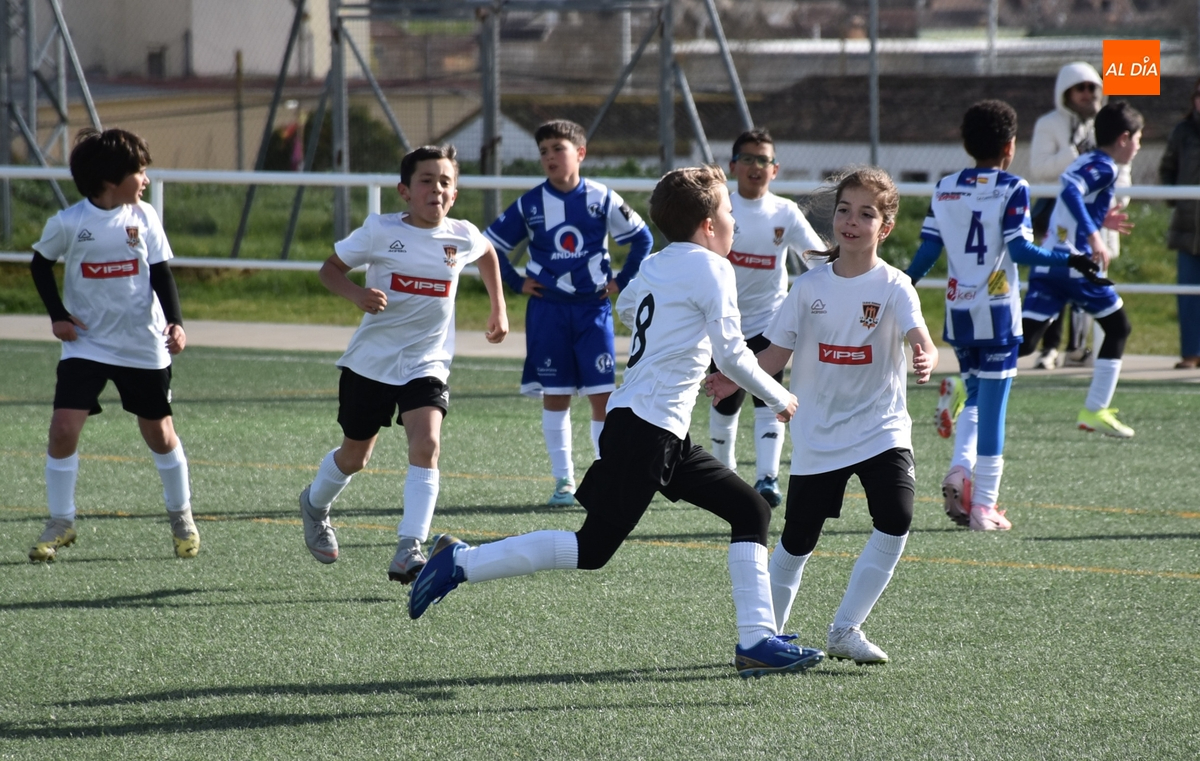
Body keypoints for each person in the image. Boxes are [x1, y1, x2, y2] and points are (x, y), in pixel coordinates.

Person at [410, 165, 825, 679]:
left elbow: (629, 307)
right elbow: (735, 355)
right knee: (591, 549)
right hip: (648, 430)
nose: (734, 222)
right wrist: (780, 395)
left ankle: (756, 642)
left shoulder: (655, 264)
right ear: (707, 225)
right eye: (727, 212)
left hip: (652, 427)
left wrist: (681, 347)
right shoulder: (713, 269)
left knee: (750, 510)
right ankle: (461, 562)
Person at [707, 167, 938, 663]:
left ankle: (846, 629)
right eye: (844, 210)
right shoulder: (808, 287)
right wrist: (732, 380)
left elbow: (920, 335)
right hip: (819, 433)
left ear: (885, 227)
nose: (851, 221)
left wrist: (925, 354)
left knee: (896, 519)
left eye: (866, 214)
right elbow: (775, 353)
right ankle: (764, 640)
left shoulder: (896, 285)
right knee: (796, 541)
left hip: (881, 429)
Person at [297, 145, 509, 583]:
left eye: (445, 182)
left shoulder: (462, 235)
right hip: (371, 363)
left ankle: (409, 547)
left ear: (455, 193)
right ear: (405, 192)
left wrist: (498, 308)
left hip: (427, 362)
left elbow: (488, 254)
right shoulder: (380, 230)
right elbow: (329, 269)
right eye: (426, 181)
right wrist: (357, 294)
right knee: (355, 457)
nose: (437, 189)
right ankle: (315, 505)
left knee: (427, 443)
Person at [907, 101, 1110, 531]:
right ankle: (984, 505)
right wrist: (1071, 258)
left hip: (959, 313)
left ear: (966, 143)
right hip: (997, 313)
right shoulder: (1013, 186)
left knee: (975, 397)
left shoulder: (944, 187)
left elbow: (927, 252)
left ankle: (960, 472)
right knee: (994, 408)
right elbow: (1020, 250)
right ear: (1010, 146)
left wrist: (901, 283)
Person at [27, 128, 198, 562]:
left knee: (159, 433)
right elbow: (40, 265)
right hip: (86, 344)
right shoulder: (69, 223)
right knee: (63, 428)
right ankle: (61, 522)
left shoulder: (144, 217)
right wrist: (58, 316)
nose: (145, 179)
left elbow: (161, 272)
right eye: (139, 172)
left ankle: (181, 517)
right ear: (109, 179)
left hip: (142, 343)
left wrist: (176, 323)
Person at [485, 119, 653, 506]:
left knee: (602, 395)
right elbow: (489, 245)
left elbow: (641, 238)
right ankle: (563, 481)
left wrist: (622, 280)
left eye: (557, 149)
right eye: (543, 151)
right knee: (556, 394)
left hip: (593, 310)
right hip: (548, 311)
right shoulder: (530, 203)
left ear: (580, 153)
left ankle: (605, 475)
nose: (549, 157)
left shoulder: (601, 197)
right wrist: (515, 282)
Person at [708, 128, 826, 507]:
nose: (755, 166)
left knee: (768, 399)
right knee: (724, 399)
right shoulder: (720, 208)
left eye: (763, 160)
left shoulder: (785, 212)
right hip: (723, 323)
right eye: (747, 159)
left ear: (775, 169)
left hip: (769, 323)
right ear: (733, 166)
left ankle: (767, 479)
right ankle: (723, 475)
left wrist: (846, 277)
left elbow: (817, 258)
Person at [1019, 101, 1143, 438]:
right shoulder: (1105, 167)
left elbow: (1071, 199)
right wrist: (1094, 236)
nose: (1138, 147)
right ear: (1123, 138)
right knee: (1118, 327)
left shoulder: (1086, 160)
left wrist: (1100, 219)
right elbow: (1071, 191)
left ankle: (962, 381)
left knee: (1026, 342)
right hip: (1075, 265)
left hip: (1049, 262)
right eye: (1137, 139)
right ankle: (1095, 409)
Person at [1027, 62, 1131, 370]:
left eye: (1092, 87)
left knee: (1086, 295)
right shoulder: (1049, 123)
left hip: (1092, 220)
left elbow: (1119, 172)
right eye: (1080, 88)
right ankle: (1049, 348)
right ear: (1066, 92)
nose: (1087, 94)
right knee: (1059, 282)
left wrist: (1110, 208)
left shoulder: (1107, 124)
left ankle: (1077, 348)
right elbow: (1042, 170)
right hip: (1057, 219)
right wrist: (1075, 153)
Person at [1157, 77, 1200, 370]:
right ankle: (1191, 353)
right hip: (1188, 229)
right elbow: (1167, 169)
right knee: (1188, 295)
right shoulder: (1182, 132)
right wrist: (1176, 199)